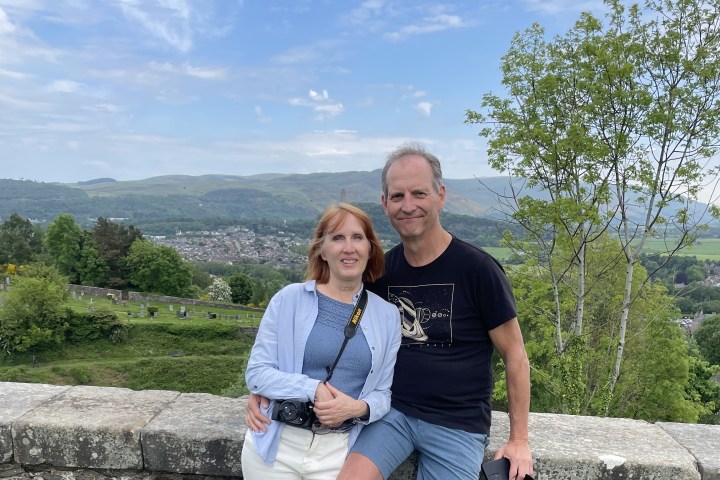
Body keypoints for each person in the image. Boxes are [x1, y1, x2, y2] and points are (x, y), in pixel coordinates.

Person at [247, 143, 534, 480]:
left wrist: (518, 439)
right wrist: (270, 391)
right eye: (397, 196)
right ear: (385, 204)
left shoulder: (478, 270)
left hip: (456, 424)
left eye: (418, 193)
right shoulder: (381, 274)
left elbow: (515, 355)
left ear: (440, 196)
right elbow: (339, 340)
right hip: (391, 417)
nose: (408, 206)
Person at [241, 203, 401, 480]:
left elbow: (383, 394)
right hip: (275, 444)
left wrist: (357, 408)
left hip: (341, 452)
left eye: (357, 237)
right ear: (321, 250)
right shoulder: (288, 299)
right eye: (337, 237)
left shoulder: (387, 316)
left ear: (370, 249)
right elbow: (257, 373)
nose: (348, 247)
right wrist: (311, 388)